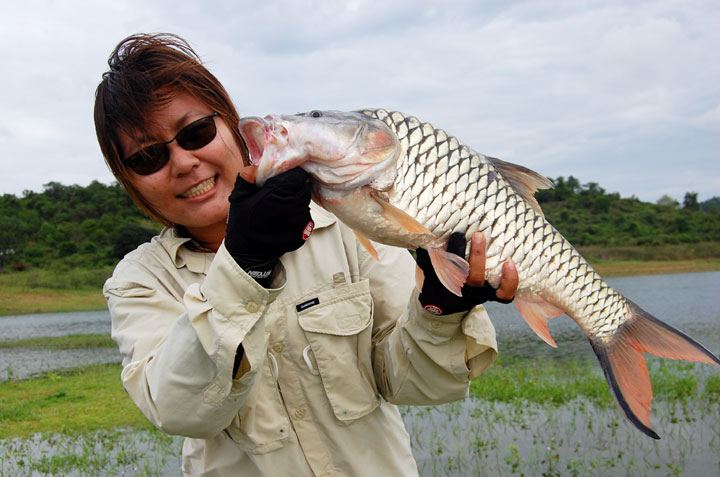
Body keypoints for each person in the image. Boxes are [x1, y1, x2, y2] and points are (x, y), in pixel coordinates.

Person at [94, 32, 519, 477]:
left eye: (196, 132)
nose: (183, 163)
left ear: (230, 124)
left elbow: (417, 384)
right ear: (130, 180)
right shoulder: (139, 280)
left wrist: (440, 310)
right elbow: (181, 410)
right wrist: (245, 265)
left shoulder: (350, 223)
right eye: (147, 158)